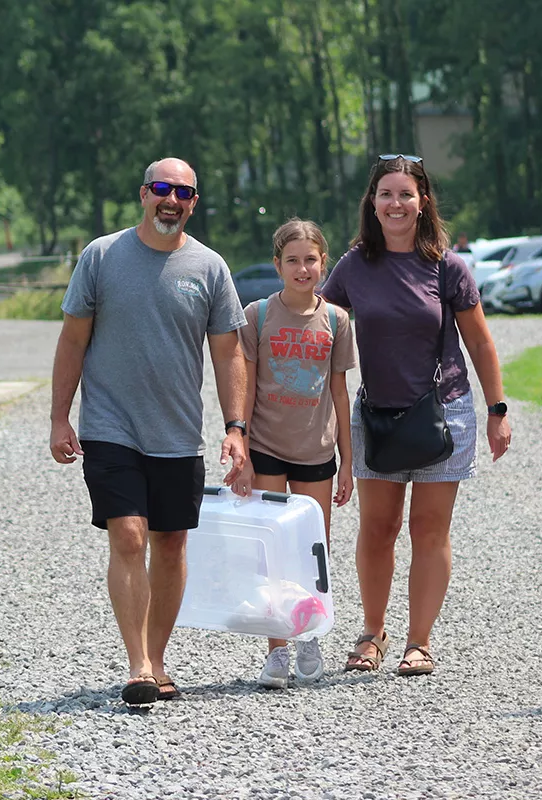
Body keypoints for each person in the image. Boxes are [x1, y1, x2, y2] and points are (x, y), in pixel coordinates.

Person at [49, 157, 248, 707]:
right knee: (130, 535)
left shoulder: (209, 268)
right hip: (110, 424)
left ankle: (157, 659)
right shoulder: (102, 256)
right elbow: (72, 340)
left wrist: (236, 427)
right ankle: (137, 664)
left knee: (171, 543)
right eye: (162, 188)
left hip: (178, 431)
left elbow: (229, 352)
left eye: (183, 192)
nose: (172, 200)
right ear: (143, 193)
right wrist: (59, 417)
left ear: (193, 203)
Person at [320, 154, 511, 677]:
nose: (396, 203)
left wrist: (497, 410)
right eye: (386, 194)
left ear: (422, 201)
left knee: (429, 529)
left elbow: (479, 341)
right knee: (378, 529)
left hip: (443, 415)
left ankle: (419, 642)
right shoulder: (354, 264)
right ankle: (372, 633)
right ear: (373, 203)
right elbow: (318, 324)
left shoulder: (447, 266)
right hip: (376, 415)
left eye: (406, 194)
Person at [232, 218, 356, 689]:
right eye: (292, 260)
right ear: (277, 265)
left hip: (316, 451)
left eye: (310, 259)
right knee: (272, 552)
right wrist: (239, 444)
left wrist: (347, 462)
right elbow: (243, 387)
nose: (302, 268)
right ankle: (277, 650)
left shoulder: (337, 321)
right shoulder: (257, 315)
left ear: (323, 263)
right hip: (266, 446)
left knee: (311, 551)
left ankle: (308, 633)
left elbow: (341, 396)